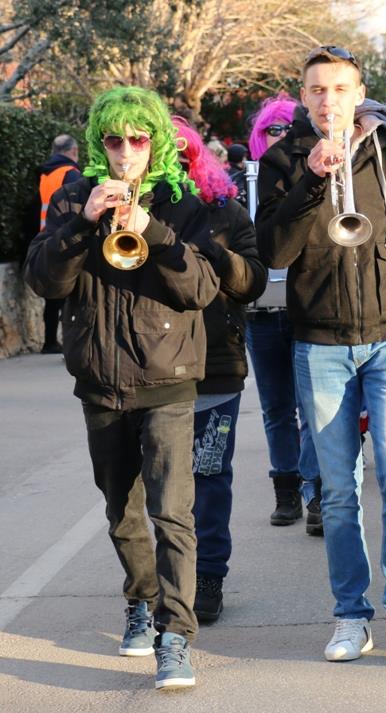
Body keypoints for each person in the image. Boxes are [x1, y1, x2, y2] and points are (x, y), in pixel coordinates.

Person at [256, 46, 386, 666]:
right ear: (304, 97)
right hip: (319, 343)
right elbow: (274, 250)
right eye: (317, 90)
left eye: (340, 89)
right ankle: (352, 615)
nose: (329, 101)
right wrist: (312, 181)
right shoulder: (281, 160)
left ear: (359, 92)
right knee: (339, 492)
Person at [23, 86, 220, 689]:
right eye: (115, 140)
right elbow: (43, 280)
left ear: (155, 140)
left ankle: (176, 636)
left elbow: (202, 289)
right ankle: (140, 600)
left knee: (173, 512)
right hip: (102, 381)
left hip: (167, 381)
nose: (127, 152)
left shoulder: (184, 200)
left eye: (139, 139)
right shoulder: (73, 196)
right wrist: (82, 226)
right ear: (99, 143)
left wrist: (154, 233)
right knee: (123, 512)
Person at [173, 116, 267, 623]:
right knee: (160, 481)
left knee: (208, 476)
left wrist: (211, 247)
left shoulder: (225, 211)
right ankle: (168, 576)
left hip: (215, 367)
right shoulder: (131, 210)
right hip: (149, 372)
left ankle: (209, 575)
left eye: (183, 158)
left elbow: (252, 280)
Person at [244, 94, 323, 533]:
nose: (279, 138)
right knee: (276, 407)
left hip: (305, 303)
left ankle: (314, 490)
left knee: (313, 405)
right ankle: (286, 488)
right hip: (260, 311)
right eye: (271, 131)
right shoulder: (239, 182)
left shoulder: (303, 172)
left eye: (284, 130)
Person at [33, 134, 82, 353]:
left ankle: (49, 340)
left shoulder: (45, 174)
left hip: (45, 233)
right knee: (69, 291)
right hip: (66, 233)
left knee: (52, 293)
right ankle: (68, 342)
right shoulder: (70, 174)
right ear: (73, 151)